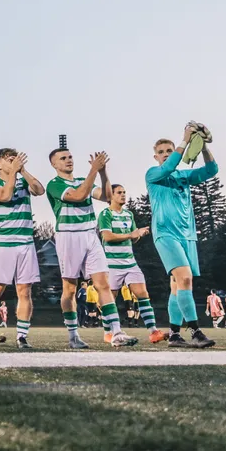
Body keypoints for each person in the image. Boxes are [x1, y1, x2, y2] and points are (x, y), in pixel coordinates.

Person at [47, 145, 136, 348]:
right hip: (68, 236)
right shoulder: (54, 184)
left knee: (103, 283)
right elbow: (78, 196)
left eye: (70, 156)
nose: (68, 160)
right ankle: (73, 336)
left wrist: (103, 172)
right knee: (69, 288)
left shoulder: (82, 180)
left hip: (90, 234)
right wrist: (94, 170)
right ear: (54, 164)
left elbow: (106, 196)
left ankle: (116, 332)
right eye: (63, 158)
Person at [146, 125, 218, 348]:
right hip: (165, 234)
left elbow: (211, 170)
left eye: (169, 150)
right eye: (162, 152)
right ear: (156, 156)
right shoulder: (153, 174)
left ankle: (175, 335)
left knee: (178, 286)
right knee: (185, 278)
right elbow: (168, 167)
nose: (166, 154)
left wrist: (202, 145)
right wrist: (184, 142)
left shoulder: (183, 177)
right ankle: (196, 332)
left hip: (187, 235)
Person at [0, 149, 45, 349]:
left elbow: (39, 190)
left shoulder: (22, 180)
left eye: (15, 158)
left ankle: (22, 336)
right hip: (4, 243)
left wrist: (23, 171)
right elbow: (6, 197)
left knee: (25, 290)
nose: (14, 161)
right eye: (9, 159)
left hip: (26, 242)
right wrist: (14, 174)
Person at [98, 184, 168, 343]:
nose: (123, 195)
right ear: (111, 196)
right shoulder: (105, 214)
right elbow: (108, 237)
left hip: (130, 263)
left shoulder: (129, 214)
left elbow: (133, 237)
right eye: (119, 193)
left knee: (143, 294)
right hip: (111, 264)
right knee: (110, 298)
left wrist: (140, 234)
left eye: (124, 192)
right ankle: (108, 332)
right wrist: (131, 234)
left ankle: (153, 331)